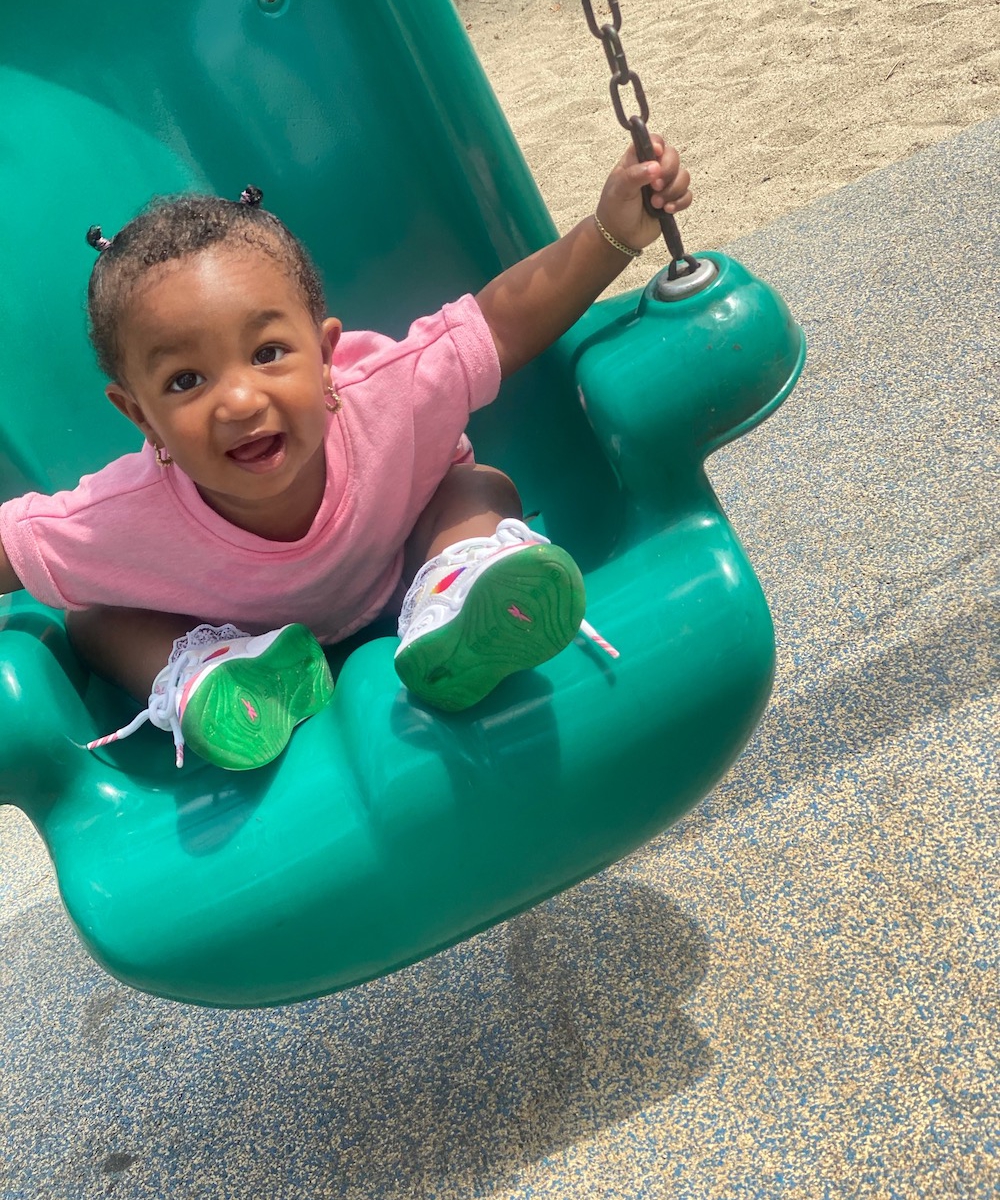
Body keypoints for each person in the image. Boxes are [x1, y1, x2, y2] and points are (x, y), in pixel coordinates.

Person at [0, 139, 692, 771]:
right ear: (140, 417)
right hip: (241, 637)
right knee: (95, 617)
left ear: (328, 356)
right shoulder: (119, 514)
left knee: (476, 488)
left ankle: (464, 595)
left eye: (268, 353)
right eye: (186, 381)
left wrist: (612, 235)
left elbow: (500, 325)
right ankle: (219, 678)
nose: (239, 401)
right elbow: (14, 547)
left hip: (406, 563)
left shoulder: (388, 391)